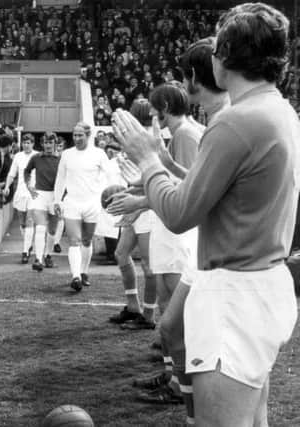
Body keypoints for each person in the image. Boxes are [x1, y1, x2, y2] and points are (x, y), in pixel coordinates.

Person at [112, 4, 299, 425]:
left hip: (234, 295)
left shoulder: (235, 121)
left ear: (225, 56)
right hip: (260, 285)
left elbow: (179, 214)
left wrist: (148, 162)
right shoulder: (280, 110)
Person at [108, 82, 204, 407]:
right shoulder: (178, 135)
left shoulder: (185, 135)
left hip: (176, 229)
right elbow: (170, 176)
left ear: (163, 106)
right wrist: (137, 185)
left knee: (175, 313)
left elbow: (185, 187)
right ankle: (173, 375)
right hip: (167, 223)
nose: (151, 114)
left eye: (153, 107)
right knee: (166, 303)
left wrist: (137, 201)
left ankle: (182, 385)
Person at [107, 99, 158, 330]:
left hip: (146, 207)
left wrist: (135, 205)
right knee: (120, 253)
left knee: (149, 266)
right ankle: (133, 306)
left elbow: (151, 178)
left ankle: (148, 316)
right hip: (136, 202)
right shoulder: (137, 138)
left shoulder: (148, 138)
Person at [54, 122, 112, 291]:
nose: (77, 138)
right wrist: (57, 200)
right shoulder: (66, 154)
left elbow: (109, 175)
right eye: (75, 135)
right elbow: (60, 179)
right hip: (72, 202)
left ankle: (84, 272)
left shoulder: (99, 154)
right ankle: (76, 276)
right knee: (74, 240)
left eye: (80, 135)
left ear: (88, 136)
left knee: (86, 240)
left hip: (92, 203)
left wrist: (110, 195)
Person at [24, 131, 60, 272]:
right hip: (40, 195)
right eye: (45, 142)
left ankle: (48, 255)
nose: (48, 145)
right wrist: (28, 186)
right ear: (42, 144)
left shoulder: (61, 159)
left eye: (51, 142)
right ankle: (38, 259)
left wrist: (63, 196)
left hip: (55, 197)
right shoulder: (36, 157)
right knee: (40, 227)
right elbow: (27, 171)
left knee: (52, 230)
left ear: (55, 144)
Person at [3, 133, 38, 264]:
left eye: (29, 142)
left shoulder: (38, 156)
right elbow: (12, 174)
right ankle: (28, 245)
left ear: (33, 144)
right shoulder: (18, 156)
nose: (26, 145)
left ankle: (24, 252)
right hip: (20, 193)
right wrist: (7, 186)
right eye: (24, 142)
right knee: (23, 223)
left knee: (30, 221)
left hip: (34, 194)